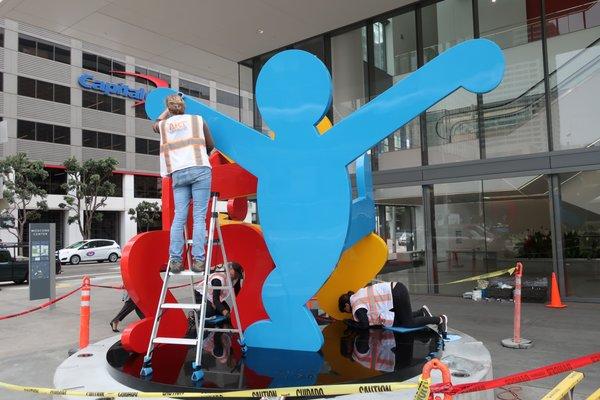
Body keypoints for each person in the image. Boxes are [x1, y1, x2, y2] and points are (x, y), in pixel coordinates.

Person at [153, 94, 214, 274]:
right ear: (183, 106)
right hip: (199, 169)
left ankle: (176, 261)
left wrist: (168, 111)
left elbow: (156, 122)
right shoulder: (197, 120)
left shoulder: (164, 125)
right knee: (199, 217)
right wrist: (203, 154)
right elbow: (211, 144)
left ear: (169, 108)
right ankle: (198, 261)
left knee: (179, 217)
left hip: (178, 173)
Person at [338, 282, 448, 337]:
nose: (348, 313)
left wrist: (350, 322)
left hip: (396, 294)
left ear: (347, 305)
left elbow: (364, 324)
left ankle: (440, 320)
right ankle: (421, 312)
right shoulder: (358, 294)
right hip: (396, 289)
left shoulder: (356, 305)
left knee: (408, 323)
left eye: (345, 310)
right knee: (403, 317)